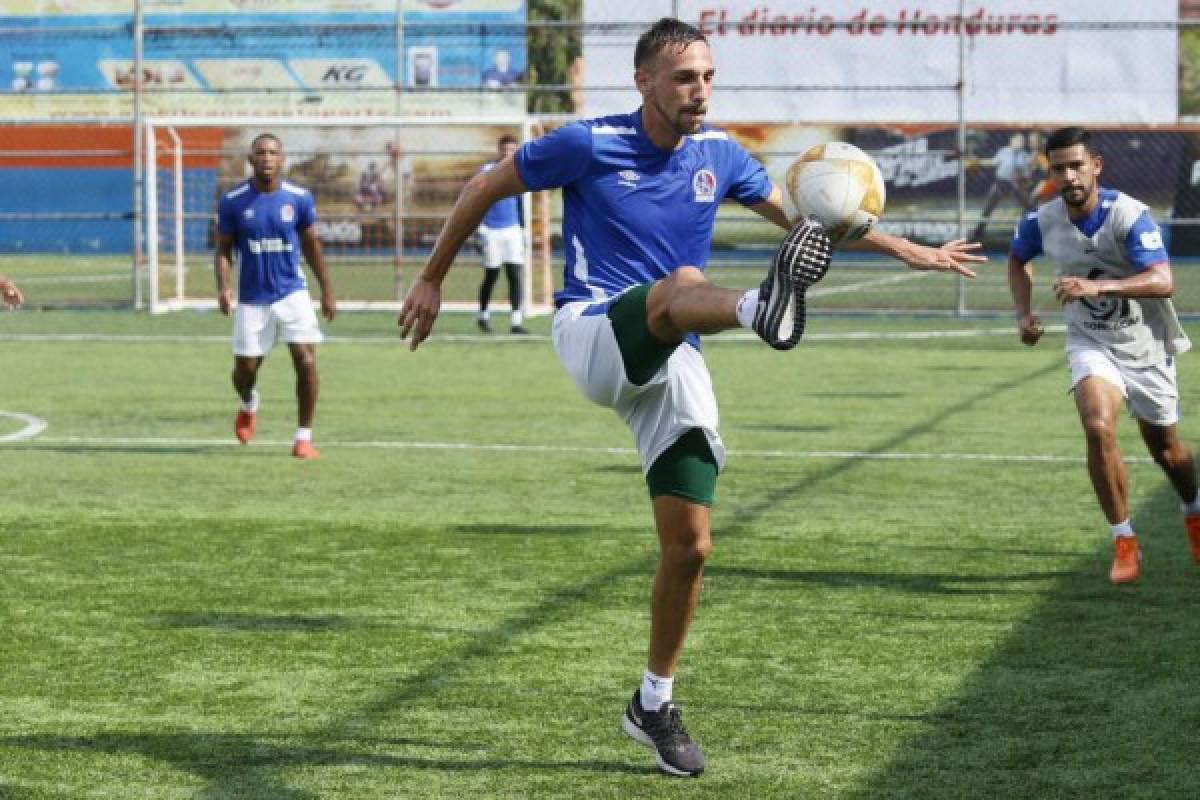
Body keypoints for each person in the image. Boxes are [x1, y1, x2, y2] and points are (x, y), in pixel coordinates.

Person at [399, 17, 981, 777]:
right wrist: (433, 276)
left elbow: (809, 219)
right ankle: (757, 310)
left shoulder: (721, 157)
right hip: (595, 330)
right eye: (683, 77)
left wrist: (908, 249)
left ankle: (652, 702)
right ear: (643, 82)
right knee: (681, 285)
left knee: (691, 546)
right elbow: (483, 184)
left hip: (674, 354)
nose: (699, 90)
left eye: (707, 76)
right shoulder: (587, 142)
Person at [1008, 126, 1200, 584]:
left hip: (1146, 345)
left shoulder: (1130, 215)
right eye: (1059, 169)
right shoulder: (1042, 220)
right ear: (1051, 173)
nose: (1069, 176)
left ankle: (1193, 510)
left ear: (1096, 166)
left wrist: (1098, 285)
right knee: (1097, 426)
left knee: (1168, 452)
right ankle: (1124, 539)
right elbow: (1018, 260)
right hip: (1091, 341)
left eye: (1077, 165)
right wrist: (1024, 314)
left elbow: (1162, 280)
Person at [214, 132, 336, 460]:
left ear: (281, 160)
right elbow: (223, 250)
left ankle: (303, 437)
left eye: (272, 153)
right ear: (251, 160)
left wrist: (326, 289)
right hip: (253, 299)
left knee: (306, 359)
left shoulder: (298, 198)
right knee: (245, 371)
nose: (267, 158)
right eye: (261, 153)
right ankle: (248, 402)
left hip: (291, 293)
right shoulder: (233, 201)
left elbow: (311, 245)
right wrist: (224, 286)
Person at [475, 134, 527, 334]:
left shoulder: (521, 171)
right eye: (505, 150)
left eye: (512, 150)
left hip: (512, 230)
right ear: (499, 150)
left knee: (515, 274)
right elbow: (477, 200)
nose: (508, 153)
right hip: (491, 230)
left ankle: (516, 321)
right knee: (492, 275)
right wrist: (480, 228)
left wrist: (523, 231)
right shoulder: (487, 171)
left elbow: (521, 204)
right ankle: (483, 315)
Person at [969, 132, 1041, 244]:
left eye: (1021, 141)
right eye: (1017, 140)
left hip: (1015, 185)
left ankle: (1025, 230)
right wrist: (979, 162)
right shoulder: (1004, 151)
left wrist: (1031, 165)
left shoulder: (1024, 155)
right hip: (1001, 183)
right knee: (988, 207)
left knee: (1030, 206)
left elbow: (1028, 171)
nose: (1020, 143)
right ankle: (979, 229)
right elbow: (993, 162)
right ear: (1011, 141)